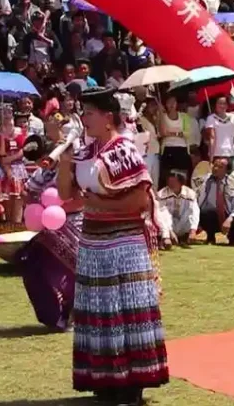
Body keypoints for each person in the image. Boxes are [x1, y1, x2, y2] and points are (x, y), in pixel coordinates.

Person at [57, 88, 167, 405]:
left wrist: (99, 204)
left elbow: (140, 199)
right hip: (93, 241)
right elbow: (66, 193)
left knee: (125, 310)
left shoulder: (123, 150)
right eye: (83, 113)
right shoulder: (86, 151)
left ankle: (132, 382)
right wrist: (64, 159)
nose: (84, 119)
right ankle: (104, 379)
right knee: (99, 310)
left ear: (107, 118)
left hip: (123, 242)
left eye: (89, 113)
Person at [16, 123, 84, 330]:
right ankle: (54, 315)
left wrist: (59, 205)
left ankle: (75, 313)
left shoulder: (75, 165)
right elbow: (26, 191)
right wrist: (37, 203)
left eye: (41, 157)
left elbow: (82, 199)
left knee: (73, 273)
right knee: (35, 266)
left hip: (75, 225)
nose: (40, 162)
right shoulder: (43, 172)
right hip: (50, 228)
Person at [196, 156, 234, 246]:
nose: (216, 168)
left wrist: (230, 218)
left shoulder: (232, 183)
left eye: (220, 167)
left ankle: (233, 239)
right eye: (214, 165)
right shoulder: (205, 180)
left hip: (227, 214)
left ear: (226, 170)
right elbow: (198, 199)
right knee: (206, 211)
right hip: (212, 215)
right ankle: (210, 237)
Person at [157, 170, 199, 248]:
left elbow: (195, 212)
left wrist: (193, 230)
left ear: (181, 182)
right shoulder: (161, 194)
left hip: (183, 225)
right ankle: (165, 239)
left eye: (174, 181)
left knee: (191, 211)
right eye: (169, 181)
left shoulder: (190, 193)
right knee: (161, 213)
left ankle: (185, 237)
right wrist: (168, 233)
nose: (171, 184)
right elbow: (162, 215)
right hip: (167, 226)